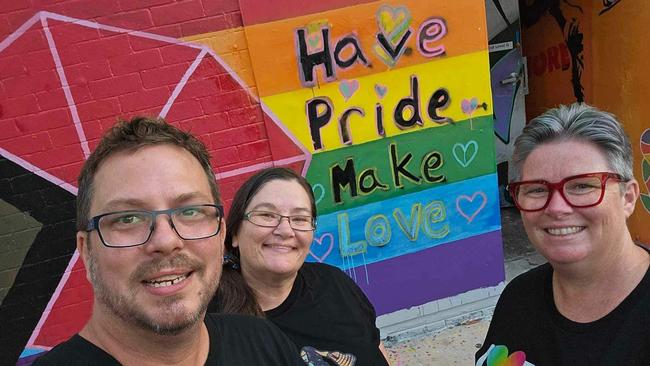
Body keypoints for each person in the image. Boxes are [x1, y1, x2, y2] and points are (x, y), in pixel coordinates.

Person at [35, 117, 303, 365]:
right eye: (128, 218)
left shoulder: (262, 343)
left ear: (221, 233)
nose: (165, 240)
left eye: (190, 211)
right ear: (87, 251)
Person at [476, 103, 650, 366]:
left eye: (582, 185)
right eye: (536, 189)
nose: (556, 207)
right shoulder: (520, 298)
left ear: (628, 197)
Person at [210, 167, 390, 366]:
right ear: (235, 233)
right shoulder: (209, 323)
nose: (286, 230)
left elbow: (375, 348)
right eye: (267, 215)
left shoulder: (335, 284)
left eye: (299, 219)